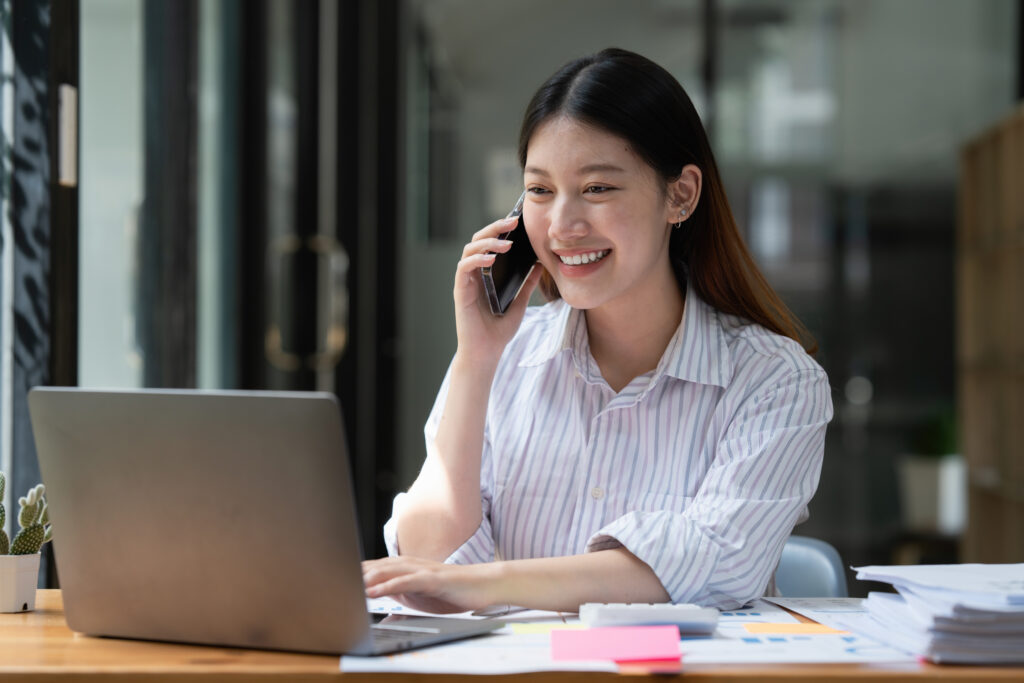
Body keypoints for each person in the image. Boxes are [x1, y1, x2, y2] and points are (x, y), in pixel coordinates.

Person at [362, 48, 833, 614]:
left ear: (680, 194)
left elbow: (717, 562)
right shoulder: (503, 361)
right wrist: (476, 358)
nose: (562, 226)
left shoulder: (774, 379)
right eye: (540, 191)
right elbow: (430, 560)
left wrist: (486, 583)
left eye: (597, 189)